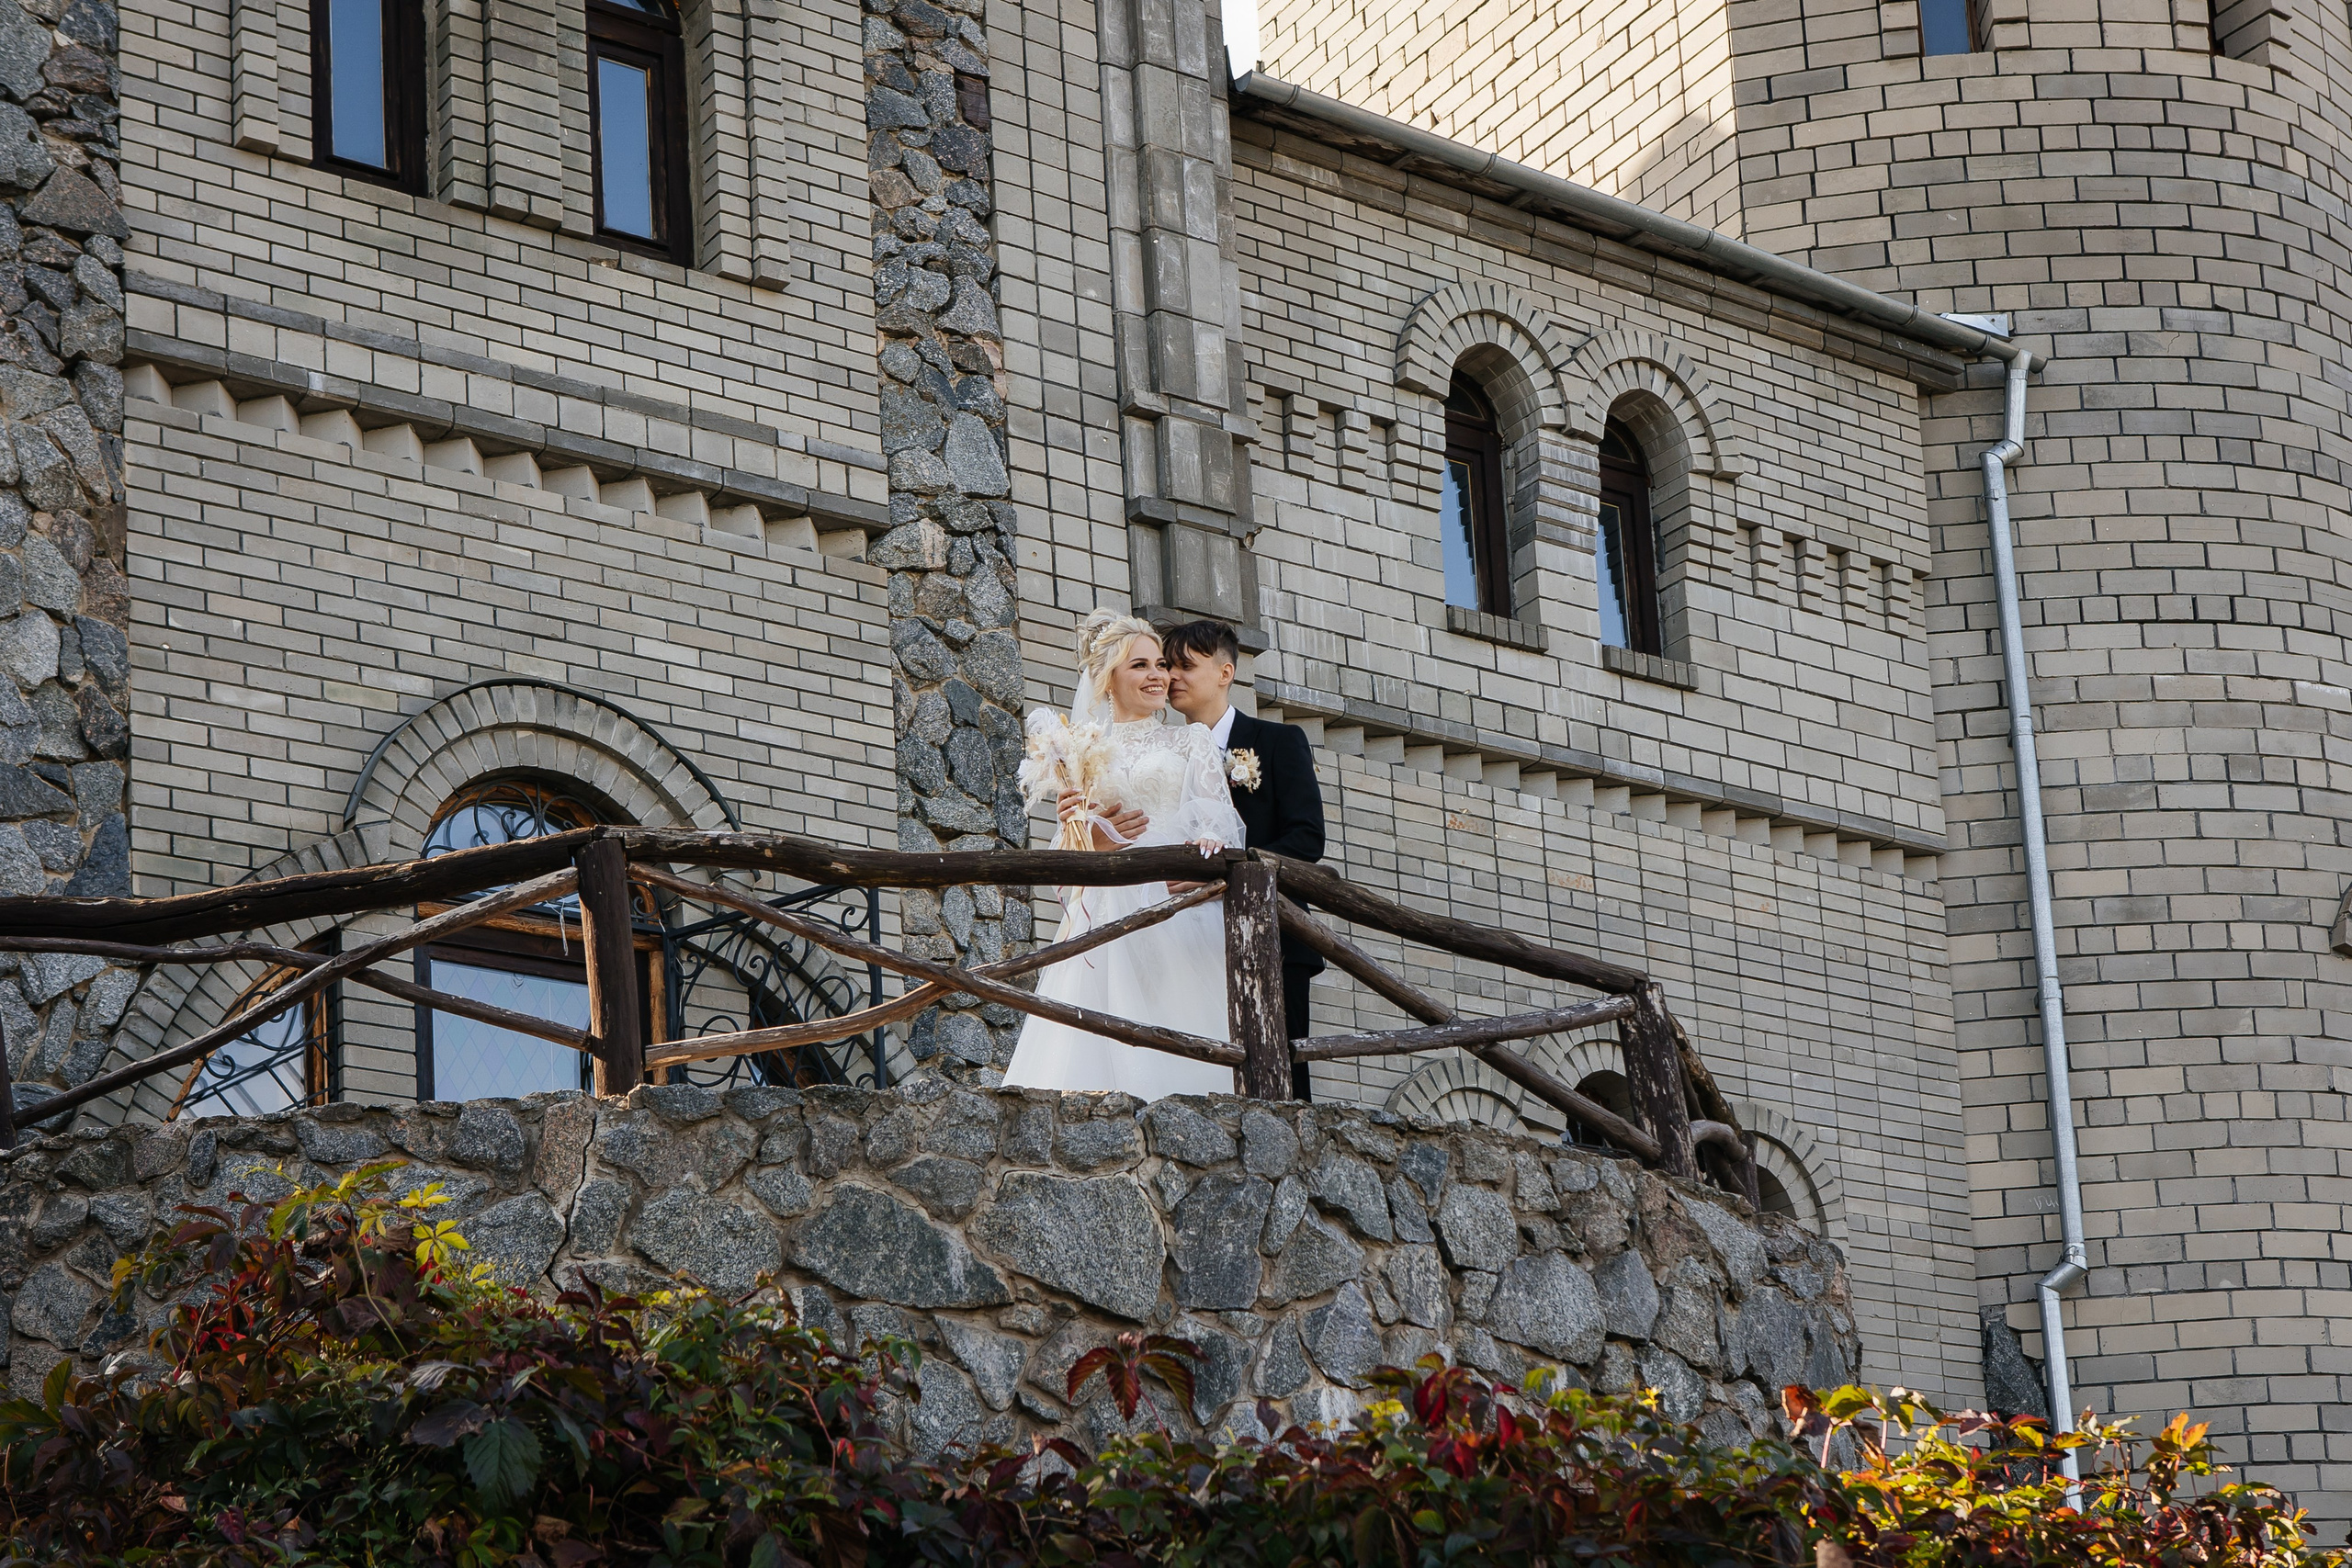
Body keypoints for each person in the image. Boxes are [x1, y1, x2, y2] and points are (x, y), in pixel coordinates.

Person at [1001, 611, 1247, 1099]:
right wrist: (1088, 838)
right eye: (1140, 666)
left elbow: (1219, 826)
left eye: (1160, 664)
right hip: (1108, 907)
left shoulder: (1190, 740)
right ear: (1107, 678)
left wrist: (1201, 863)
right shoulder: (1081, 751)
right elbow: (1067, 863)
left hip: (1175, 907)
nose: (1159, 676)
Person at [1161, 619, 1329, 1100]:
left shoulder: (1277, 742)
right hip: (1189, 938)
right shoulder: (1167, 756)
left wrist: (1227, 868)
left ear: (1225, 672)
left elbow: (1306, 838)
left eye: (1186, 666)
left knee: (1282, 1080)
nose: (1173, 676)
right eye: (1168, 666)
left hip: (1274, 931)